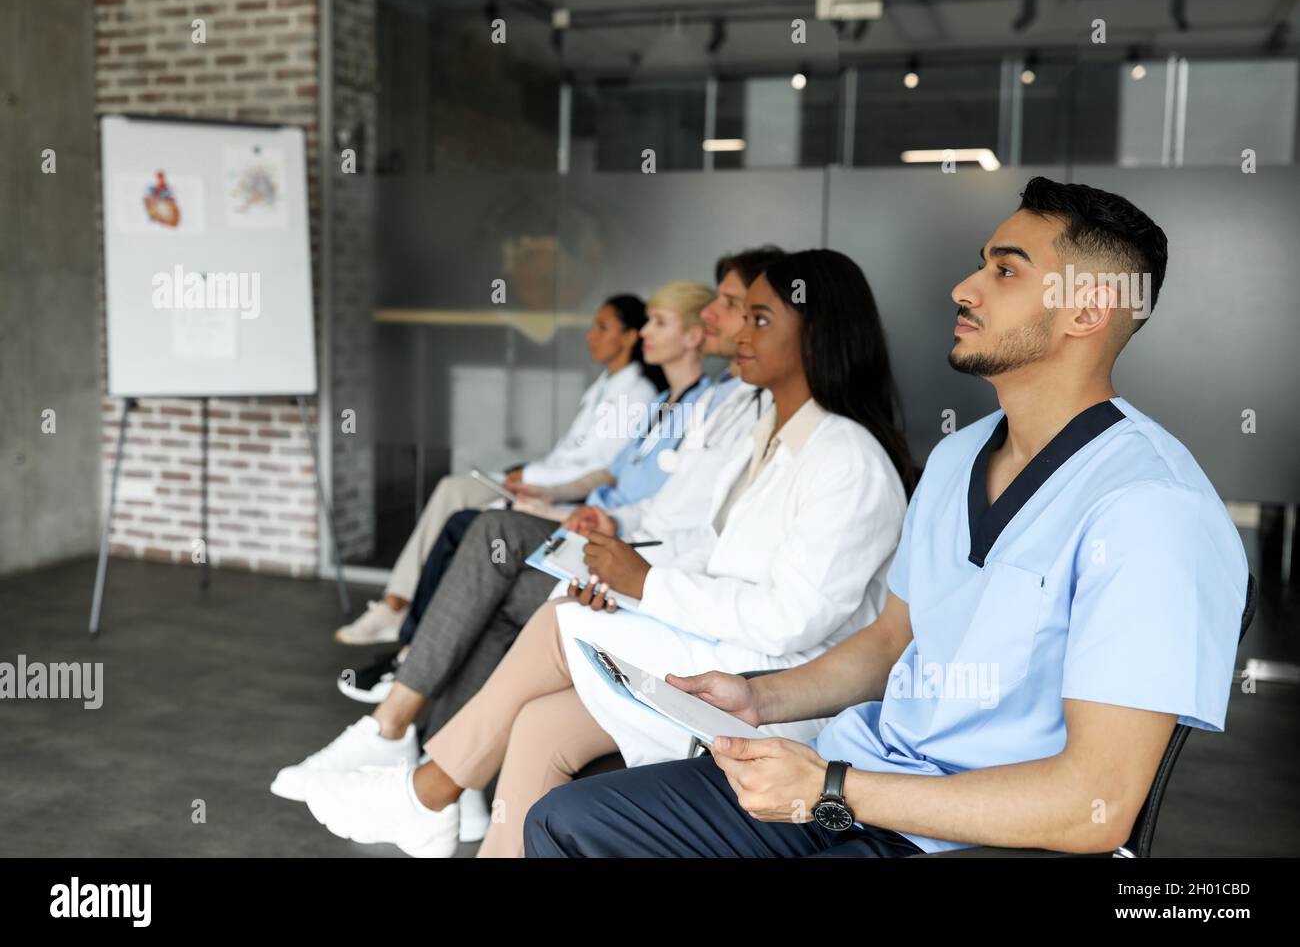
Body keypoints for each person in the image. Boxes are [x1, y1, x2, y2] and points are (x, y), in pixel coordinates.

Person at [524, 177, 1250, 859]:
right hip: (852, 781)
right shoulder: (958, 457)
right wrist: (757, 695)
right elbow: (891, 639)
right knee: (568, 822)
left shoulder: (1154, 510)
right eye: (980, 265)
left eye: (1006, 271)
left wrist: (834, 790)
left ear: (1088, 310)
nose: (963, 288)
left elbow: (1095, 802)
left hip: (967, 835)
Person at [300, 249, 915, 858]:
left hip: (776, 687)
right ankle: (439, 802)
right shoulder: (774, 433)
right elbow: (710, 542)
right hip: (722, 643)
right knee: (542, 722)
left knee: (560, 621)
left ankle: (426, 791)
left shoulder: (848, 460)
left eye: (759, 319)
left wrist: (646, 585)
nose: (735, 334)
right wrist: (622, 575)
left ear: (817, 334)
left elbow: (791, 621)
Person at [271, 278, 716, 806]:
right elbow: (608, 478)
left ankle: (401, 733)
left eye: (657, 323)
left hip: (628, 556)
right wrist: (560, 499)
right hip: (600, 529)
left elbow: (674, 517)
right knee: (482, 537)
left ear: (697, 334)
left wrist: (579, 511)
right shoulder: (662, 403)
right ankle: (433, 769)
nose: (645, 332)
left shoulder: (707, 409)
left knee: (488, 535)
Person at [334, 295, 662, 645]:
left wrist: (532, 478)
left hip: (558, 491)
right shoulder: (605, 386)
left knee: (459, 503)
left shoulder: (636, 394)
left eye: (603, 327)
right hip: (542, 477)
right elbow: (569, 452)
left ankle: (401, 608)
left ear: (629, 337)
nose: (589, 336)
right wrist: (528, 471)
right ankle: (395, 604)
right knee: (453, 487)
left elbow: (596, 467)